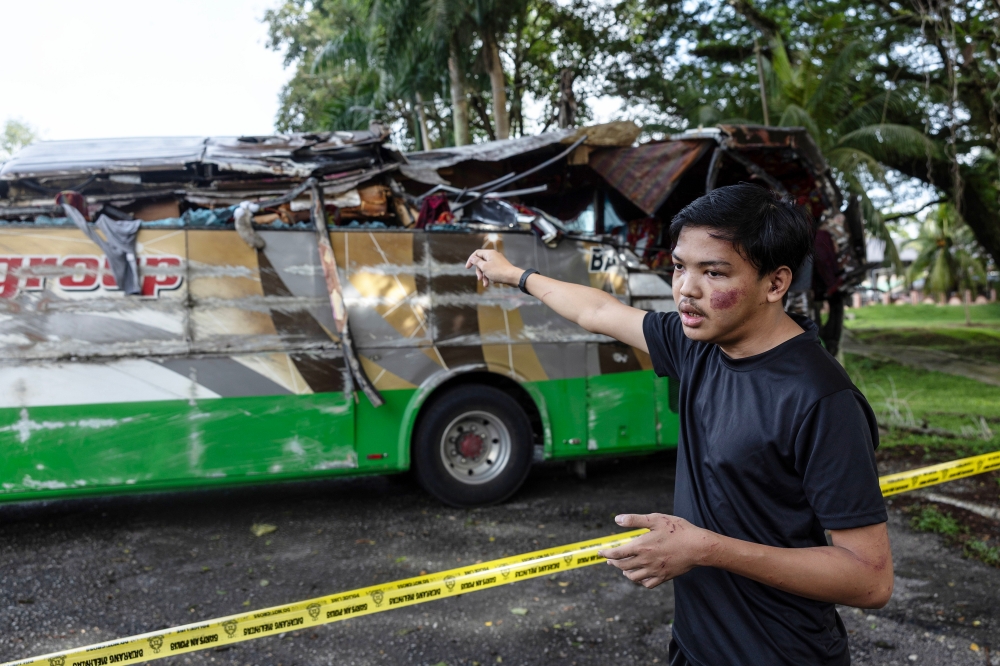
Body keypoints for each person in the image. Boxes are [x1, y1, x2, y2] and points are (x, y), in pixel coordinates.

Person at [465, 183, 892, 666]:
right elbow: (598, 310)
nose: (686, 289)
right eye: (679, 267)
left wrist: (707, 549)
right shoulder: (699, 344)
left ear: (775, 284)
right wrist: (513, 274)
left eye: (714, 272)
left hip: (779, 655)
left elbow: (870, 579)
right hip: (695, 646)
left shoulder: (821, 399)